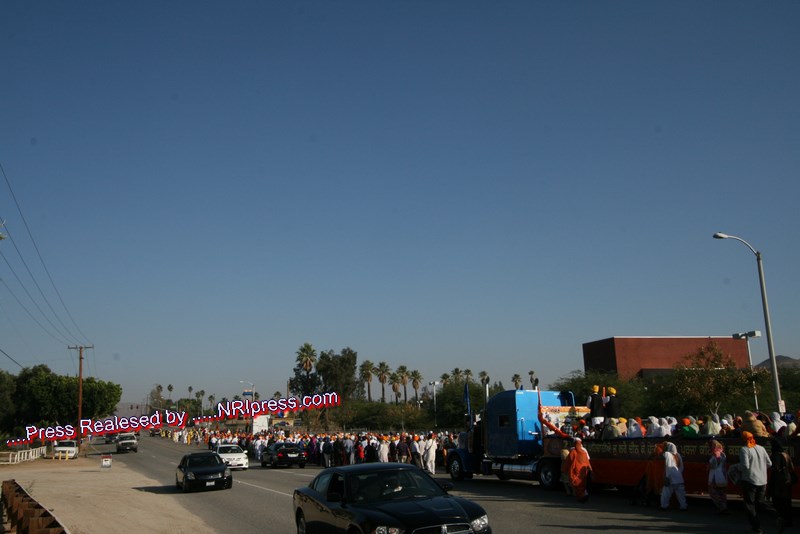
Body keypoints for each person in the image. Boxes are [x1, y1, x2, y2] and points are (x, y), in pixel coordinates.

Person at [739, 430, 771, 534]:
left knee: (750, 506)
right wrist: (760, 468)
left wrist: (735, 467)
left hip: (750, 481)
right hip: (763, 481)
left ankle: (756, 528)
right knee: (759, 504)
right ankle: (776, 517)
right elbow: (769, 464)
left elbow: (745, 466)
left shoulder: (744, 450)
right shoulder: (761, 448)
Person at [768, 438, 795, 532]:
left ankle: (781, 519)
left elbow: (775, 468)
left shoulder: (776, 455)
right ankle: (788, 520)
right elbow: (792, 467)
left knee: (778, 501)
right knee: (787, 502)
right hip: (788, 479)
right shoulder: (786, 454)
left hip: (780, 481)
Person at [660, 442, 687, 511]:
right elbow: (682, 468)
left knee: (666, 493)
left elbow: (662, 453)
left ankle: (664, 506)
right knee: (681, 495)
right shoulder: (678, 455)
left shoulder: (667, 454)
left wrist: (667, 476)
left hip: (671, 478)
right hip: (679, 478)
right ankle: (683, 506)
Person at [566, 437, 592, 502]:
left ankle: (580, 496)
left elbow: (569, 461)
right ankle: (583, 495)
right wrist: (590, 469)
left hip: (576, 470)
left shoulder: (572, 451)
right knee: (582, 484)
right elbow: (587, 461)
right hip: (583, 471)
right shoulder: (584, 451)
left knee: (576, 484)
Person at [707, 440, 729, 514]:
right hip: (723, 475)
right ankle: (724, 506)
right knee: (722, 492)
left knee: (713, 492)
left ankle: (721, 506)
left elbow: (711, 466)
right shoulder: (723, 454)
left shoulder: (714, 456)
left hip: (715, 476)